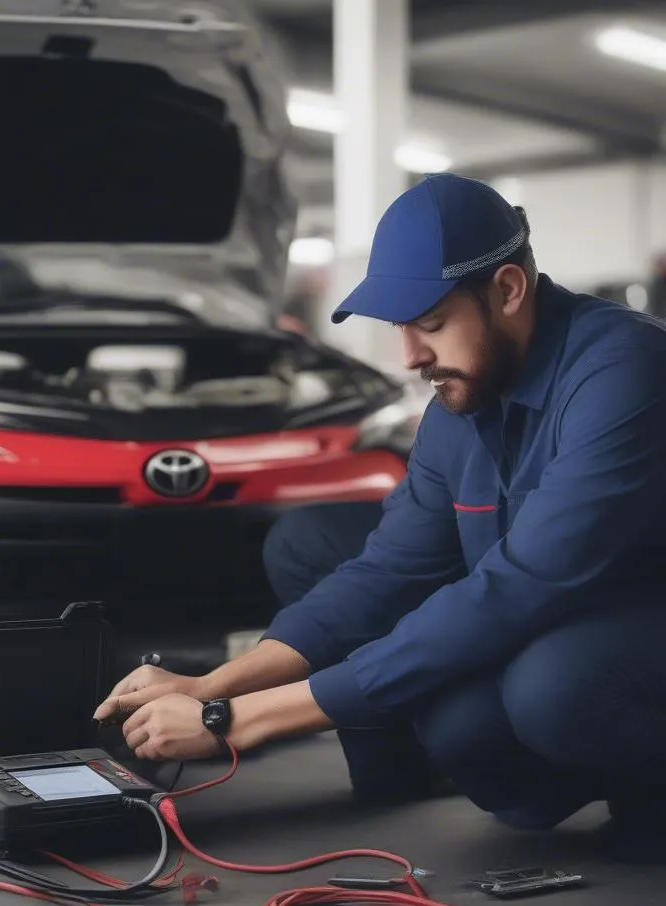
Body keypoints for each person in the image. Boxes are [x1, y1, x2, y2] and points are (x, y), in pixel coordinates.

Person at [94, 172, 666, 863]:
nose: (410, 358)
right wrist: (211, 685)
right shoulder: (461, 399)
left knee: (553, 689)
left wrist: (234, 721)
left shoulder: (626, 369)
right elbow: (390, 567)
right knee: (460, 726)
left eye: (430, 324)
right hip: (572, 614)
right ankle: (535, 772)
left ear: (509, 290)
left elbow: (519, 586)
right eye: (401, 328)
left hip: (633, 611)